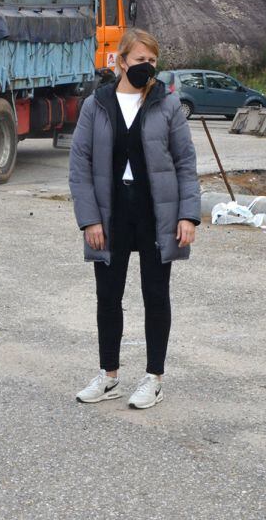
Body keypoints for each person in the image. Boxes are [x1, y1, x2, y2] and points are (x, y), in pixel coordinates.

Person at [68, 28, 201, 409]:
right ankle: (108, 376)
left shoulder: (167, 104)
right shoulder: (97, 105)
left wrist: (188, 214)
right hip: (110, 214)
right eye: (141, 60)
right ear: (121, 61)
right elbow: (80, 166)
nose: (148, 67)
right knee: (108, 295)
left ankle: (153, 378)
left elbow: (185, 163)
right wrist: (89, 220)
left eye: (153, 62)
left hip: (156, 212)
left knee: (155, 295)